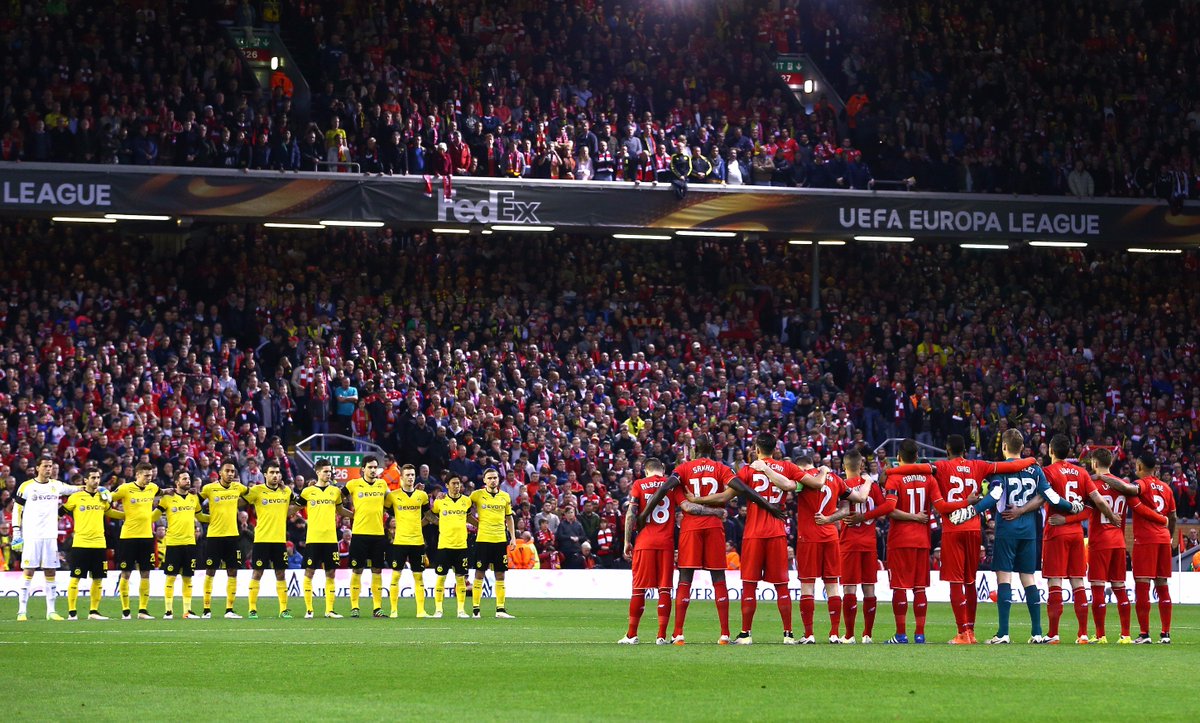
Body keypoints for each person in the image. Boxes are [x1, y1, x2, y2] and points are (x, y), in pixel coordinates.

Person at [885, 434, 1036, 643]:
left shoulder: (941, 467)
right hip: (974, 528)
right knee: (970, 581)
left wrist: (891, 471)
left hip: (953, 529)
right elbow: (1007, 467)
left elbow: (916, 469)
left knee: (956, 582)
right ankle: (971, 632)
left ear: (947, 451)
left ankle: (962, 632)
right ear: (965, 450)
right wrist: (1030, 460)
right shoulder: (978, 465)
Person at [640, 434, 781, 645]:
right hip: (714, 527)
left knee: (685, 578)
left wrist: (644, 515)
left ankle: (678, 634)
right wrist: (767, 505)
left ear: (695, 449)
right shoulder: (721, 468)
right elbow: (742, 489)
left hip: (690, 527)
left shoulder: (684, 469)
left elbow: (663, 489)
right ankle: (724, 634)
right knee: (719, 579)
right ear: (714, 448)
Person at [951, 430, 1083, 644]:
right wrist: (1072, 506)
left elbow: (994, 496)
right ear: (1022, 448)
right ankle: (1037, 632)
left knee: (1004, 577)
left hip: (1007, 529)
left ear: (1004, 447)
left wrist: (971, 511)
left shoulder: (1001, 469)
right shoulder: (1036, 469)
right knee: (1028, 578)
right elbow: (1049, 496)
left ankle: (1003, 633)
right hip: (1030, 530)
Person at [722, 434, 826, 644]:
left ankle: (745, 634)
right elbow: (815, 485)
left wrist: (698, 501)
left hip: (753, 533)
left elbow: (726, 496)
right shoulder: (787, 468)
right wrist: (823, 470)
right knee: (781, 585)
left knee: (749, 584)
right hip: (777, 532)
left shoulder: (749, 469)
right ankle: (788, 634)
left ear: (757, 448)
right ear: (776, 448)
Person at [881, 439, 968, 643]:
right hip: (922, 539)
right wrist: (968, 501)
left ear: (899, 457)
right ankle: (920, 634)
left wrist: (911, 516)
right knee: (920, 587)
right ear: (917, 457)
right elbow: (941, 506)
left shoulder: (894, 479)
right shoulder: (929, 479)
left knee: (900, 587)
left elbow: (889, 510)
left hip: (900, 539)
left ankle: (901, 634)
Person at [1039, 435, 1121, 644]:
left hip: (1056, 531)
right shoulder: (1082, 472)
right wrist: (1112, 517)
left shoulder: (1048, 472)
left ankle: (1053, 634)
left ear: (1050, 450)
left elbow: (1041, 499)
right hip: (1077, 534)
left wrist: (1022, 510)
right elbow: (1095, 503)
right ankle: (1083, 634)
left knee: (1055, 581)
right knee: (1078, 581)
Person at [1083, 449, 1144, 643]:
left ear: (1094, 463)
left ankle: (1101, 636)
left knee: (1098, 588)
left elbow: (1085, 512)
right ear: (1111, 463)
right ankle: (1125, 635)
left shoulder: (1093, 484)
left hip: (1099, 542)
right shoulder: (1123, 485)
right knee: (1119, 587)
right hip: (1118, 542)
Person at [13, 458, 85, 620]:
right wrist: (17, 532)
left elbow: (73, 489)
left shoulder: (56, 485)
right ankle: (21, 611)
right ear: (37, 468)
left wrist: (94, 487)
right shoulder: (26, 486)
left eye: (51, 467)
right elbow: (17, 510)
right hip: (32, 535)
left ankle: (51, 611)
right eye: (45, 466)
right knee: (29, 571)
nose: (48, 469)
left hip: (50, 536)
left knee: (50, 571)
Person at [833, 452, 894, 643]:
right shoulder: (872, 486)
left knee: (849, 589)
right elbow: (886, 508)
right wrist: (868, 517)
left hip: (849, 543)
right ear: (861, 467)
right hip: (869, 543)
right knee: (869, 589)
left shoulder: (840, 485)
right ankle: (867, 634)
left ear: (844, 467)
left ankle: (849, 635)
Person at [620, 458, 679, 644]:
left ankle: (632, 634)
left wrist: (627, 541)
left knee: (639, 590)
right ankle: (661, 635)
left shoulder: (639, 484)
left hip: (645, 543)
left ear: (646, 471)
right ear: (662, 469)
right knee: (664, 589)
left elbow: (631, 514)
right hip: (666, 544)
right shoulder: (672, 485)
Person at [62, 468, 121, 620]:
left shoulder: (103, 497)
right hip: (81, 544)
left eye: (98, 477)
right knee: (76, 578)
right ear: (85, 480)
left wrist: (130, 516)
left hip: (99, 544)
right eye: (93, 477)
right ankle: (72, 612)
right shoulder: (76, 497)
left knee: (98, 579)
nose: (96, 480)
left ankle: (93, 611)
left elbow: (110, 512)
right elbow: (61, 512)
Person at [1131, 452, 1177, 644]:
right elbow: (1173, 516)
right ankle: (1165, 634)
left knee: (1142, 585)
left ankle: (1144, 634)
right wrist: (1170, 536)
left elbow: (1135, 500)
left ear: (1140, 466)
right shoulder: (1166, 488)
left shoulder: (1140, 485)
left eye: (1136, 465)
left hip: (1145, 540)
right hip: (1163, 539)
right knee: (1162, 584)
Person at [245, 462, 297, 619]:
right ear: (265, 474)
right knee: (257, 572)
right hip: (261, 540)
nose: (275, 475)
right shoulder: (257, 490)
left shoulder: (286, 491)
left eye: (277, 472)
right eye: (272, 472)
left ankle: (283, 609)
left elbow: (295, 504)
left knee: (280, 574)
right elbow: (242, 501)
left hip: (279, 540)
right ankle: (252, 609)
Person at [200, 461, 249, 619]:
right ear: (220, 473)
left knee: (233, 571)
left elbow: (252, 495)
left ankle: (229, 609)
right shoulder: (209, 488)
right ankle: (206, 609)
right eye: (227, 471)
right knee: (210, 571)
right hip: (214, 536)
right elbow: (194, 502)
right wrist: (204, 517)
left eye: (233, 471)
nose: (230, 474)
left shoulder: (238, 488)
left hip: (232, 536)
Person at [113, 462, 161, 620]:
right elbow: (108, 498)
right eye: (146, 475)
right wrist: (119, 514)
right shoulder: (125, 488)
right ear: (137, 475)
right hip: (128, 537)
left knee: (146, 573)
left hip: (147, 537)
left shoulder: (152, 488)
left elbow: (164, 491)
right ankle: (125, 610)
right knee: (126, 573)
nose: (149, 478)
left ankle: (143, 610)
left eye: (151, 475)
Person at [299, 459, 347, 618]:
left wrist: (357, 515)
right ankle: (309, 609)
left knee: (331, 573)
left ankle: (329, 610)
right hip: (313, 538)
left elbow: (340, 510)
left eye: (330, 471)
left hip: (331, 539)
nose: (329, 473)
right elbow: (295, 507)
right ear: (317, 472)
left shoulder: (336, 492)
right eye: (326, 471)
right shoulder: (307, 492)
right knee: (309, 572)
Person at [345, 455, 390, 617]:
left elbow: (392, 500)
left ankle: (377, 608)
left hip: (378, 534)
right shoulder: (353, 484)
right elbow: (335, 497)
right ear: (363, 469)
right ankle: (355, 607)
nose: (372, 470)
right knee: (357, 570)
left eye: (375, 468)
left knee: (377, 570)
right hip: (359, 534)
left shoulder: (382, 484)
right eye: (369, 467)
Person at [158, 471, 206, 619]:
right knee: (171, 577)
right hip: (173, 543)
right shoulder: (167, 498)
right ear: (176, 482)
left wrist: (217, 518)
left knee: (187, 577)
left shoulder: (193, 498)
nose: (188, 481)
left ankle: (187, 611)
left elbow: (200, 516)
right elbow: (154, 515)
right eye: (184, 479)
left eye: (189, 478)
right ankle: (168, 611)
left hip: (190, 543)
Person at [385, 464, 430, 618]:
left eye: (412, 475)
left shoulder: (422, 496)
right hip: (400, 541)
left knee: (418, 576)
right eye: (408, 475)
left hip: (417, 541)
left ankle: (420, 611)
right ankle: (393, 610)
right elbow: (385, 510)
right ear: (401, 477)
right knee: (396, 575)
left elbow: (428, 515)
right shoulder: (392, 496)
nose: (410, 477)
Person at [470, 468, 516, 619]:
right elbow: (463, 508)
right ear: (484, 480)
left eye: (495, 478)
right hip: (483, 540)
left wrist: (513, 538)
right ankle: (476, 609)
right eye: (489, 478)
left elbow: (509, 518)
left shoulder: (505, 497)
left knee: (500, 574)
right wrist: (476, 524)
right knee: (479, 573)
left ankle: (500, 609)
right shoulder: (477, 495)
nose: (492, 480)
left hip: (500, 540)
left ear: (498, 479)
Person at [431, 476, 472, 618]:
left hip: (461, 545)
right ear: (447, 485)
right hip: (444, 545)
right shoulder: (440, 501)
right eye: (453, 483)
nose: (456, 486)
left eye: (458, 483)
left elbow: (470, 516)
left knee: (461, 578)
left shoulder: (466, 501)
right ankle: (438, 609)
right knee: (441, 578)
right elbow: (432, 514)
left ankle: (461, 610)